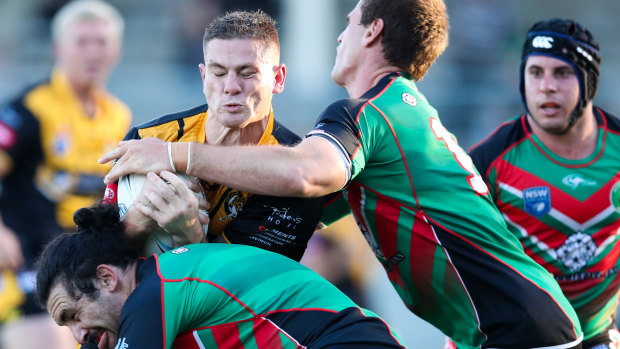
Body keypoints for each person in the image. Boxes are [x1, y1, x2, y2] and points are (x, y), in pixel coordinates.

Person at [99, 0, 584, 348]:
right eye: (219, 73)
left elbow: (306, 174)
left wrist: (177, 157)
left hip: (516, 323)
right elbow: (257, 253)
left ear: (371, 31)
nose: (339, 33)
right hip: (498, 322)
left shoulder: (369, 110)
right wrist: (179, 235)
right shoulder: (398, 114)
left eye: (349, 20)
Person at [106, 10, 326, 262]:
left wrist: (189, 234)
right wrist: (137, 220)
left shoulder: (298, 175)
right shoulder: (148, 139)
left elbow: (240, 286)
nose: (231, 86)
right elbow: (99, 261)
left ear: (278, 78)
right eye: (219, 73)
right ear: (203, 76)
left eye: (247, 73)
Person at [34, 203, 407, 349]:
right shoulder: (167, 290)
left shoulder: (156, 293)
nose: (78, 334)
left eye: (72, 314)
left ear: (106, 279)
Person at [468, 19, 620, 349]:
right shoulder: (488, 161)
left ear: (589, 81)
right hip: (518, 338)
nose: (546, 86)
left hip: (596, 335)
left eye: (562, 73)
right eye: (535, 72)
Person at [0, 1, 131, 348]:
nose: (93, 52)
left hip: (80, 263)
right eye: (82, 41)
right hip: (25, 260)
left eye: (101, 42)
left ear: (115, 50)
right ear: (59, 48)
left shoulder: (118, 116)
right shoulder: (31, 107)